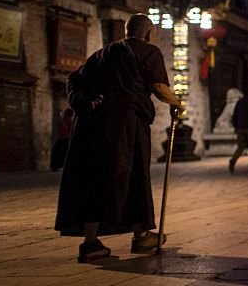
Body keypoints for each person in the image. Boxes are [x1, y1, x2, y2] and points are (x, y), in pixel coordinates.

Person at [55, 13, 184, 263]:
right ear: (147, 33)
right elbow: (159, 87)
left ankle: (91, 243)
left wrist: (88, 104)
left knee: (97, 179)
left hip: (95, 127)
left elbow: (74, 78)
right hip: (127, 125)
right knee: (134, 174)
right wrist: (178, 104)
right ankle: (141, 235)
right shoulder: (149, 51)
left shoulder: (104, 54)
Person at [229, 86, 248, 174]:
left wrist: (235, 126)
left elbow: (235, 115)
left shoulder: (239, 103)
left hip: (240, 128)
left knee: (240, 147)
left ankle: (233, 160)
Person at [50, 107, 75, 171]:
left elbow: (67, 129)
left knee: (61, 153)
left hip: (65, 139)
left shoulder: (69, 120)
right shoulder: (64, 119)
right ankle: (55, 166)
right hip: (62, 139)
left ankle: (58, 166)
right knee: (57, 153)